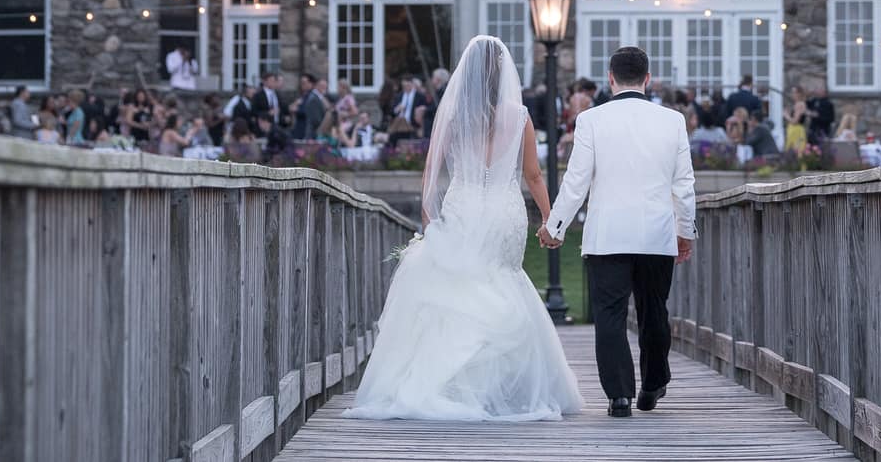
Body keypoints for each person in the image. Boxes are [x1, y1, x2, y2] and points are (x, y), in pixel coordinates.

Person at [347, 35, 582, 422]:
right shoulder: (519, 116)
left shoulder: (454, 115)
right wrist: (550, 220)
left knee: (460, 289)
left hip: (464, 205)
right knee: (503, 284)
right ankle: (504, 389)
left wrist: (428, 217)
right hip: (504, 210)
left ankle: (453, 382)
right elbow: (534, 175)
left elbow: (431, 173)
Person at [543, 45, 697, 419]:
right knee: (653, 310)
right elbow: (684, 184)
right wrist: (685, 230)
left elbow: (577, 181)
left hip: (608, 234)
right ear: (648, 78)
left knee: (609, 314)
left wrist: (555, 225)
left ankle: (620, 395)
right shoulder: (672, 120)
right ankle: (654, 383)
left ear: (610, 79)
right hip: (656, 234)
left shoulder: (591, 120)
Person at [292, 72, 330, 142]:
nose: (302, 85)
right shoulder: (306, 96)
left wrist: (296, 110)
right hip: (301, 129)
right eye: (301, 83)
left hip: (309, 131)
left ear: (312, 84)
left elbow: (315, 118)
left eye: (304, 83)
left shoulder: (313, 97)